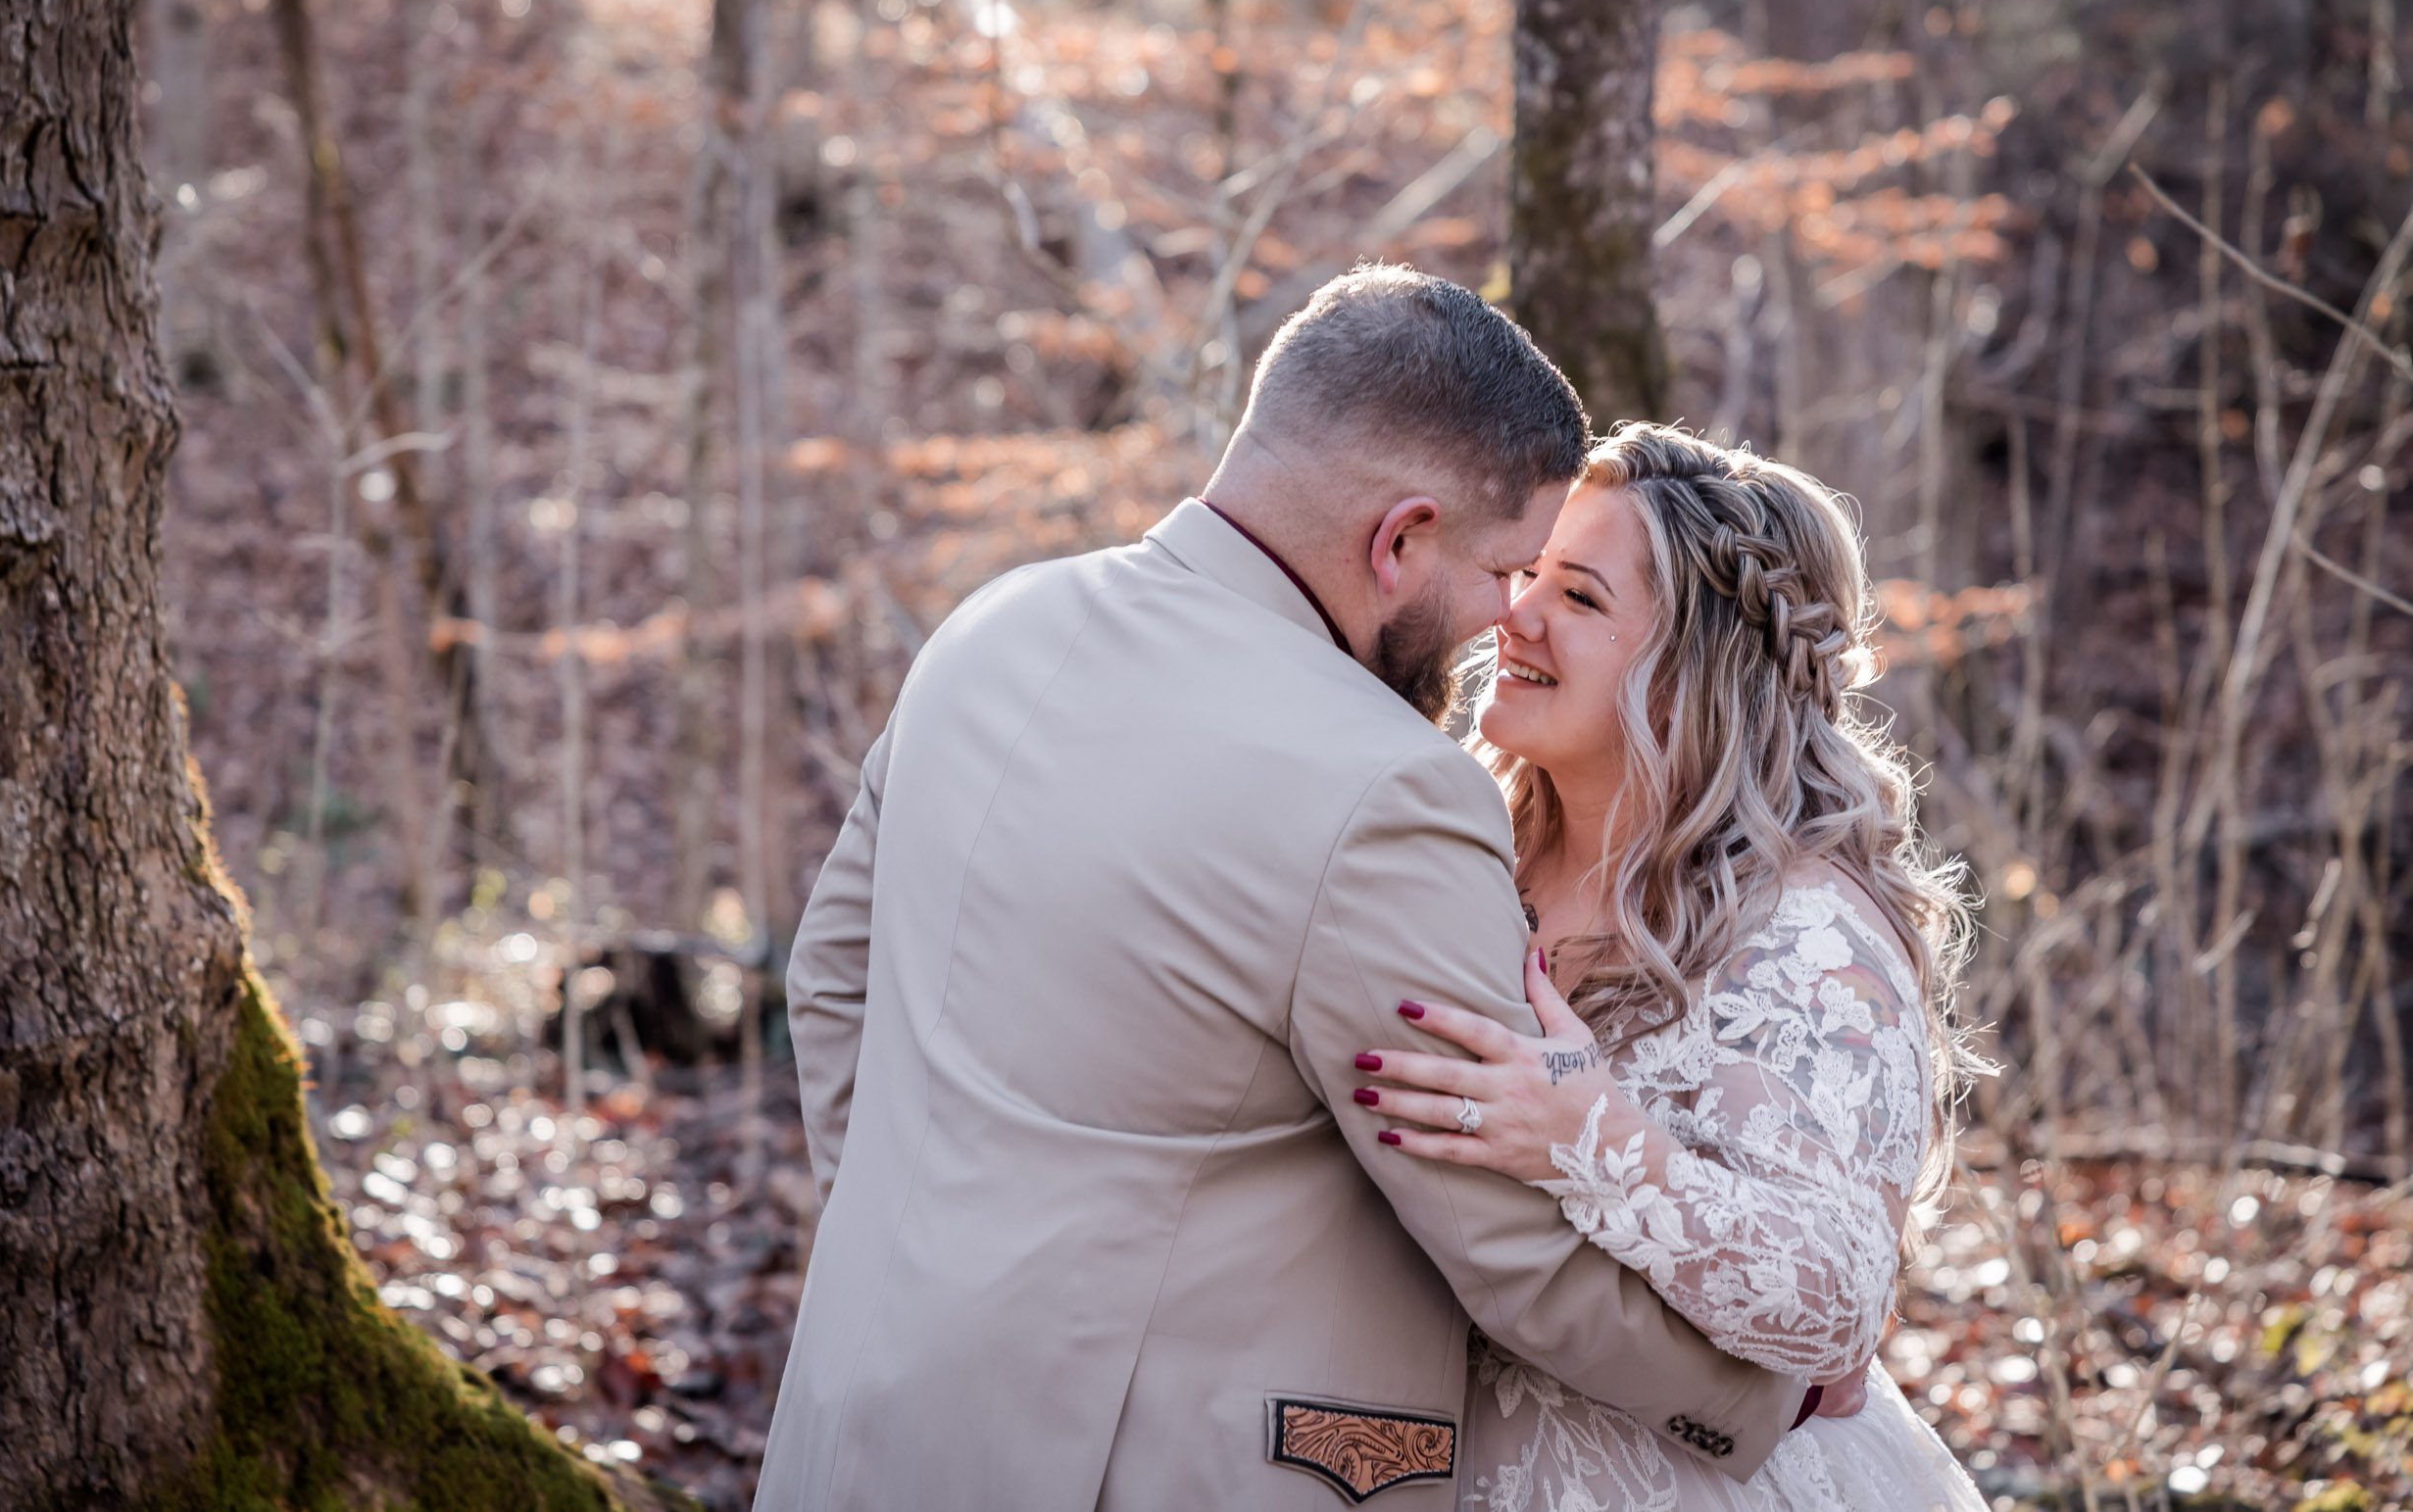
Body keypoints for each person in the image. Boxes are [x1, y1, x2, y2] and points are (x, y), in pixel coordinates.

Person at [756, 267, 1815, 1511]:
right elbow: (1502, 1241)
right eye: (1502, 571)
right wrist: (1763, 1393)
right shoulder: (1387, 792)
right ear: (1401, 537)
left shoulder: (992, 624)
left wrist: (911, 1249)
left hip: (861, 1415)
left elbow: (830, 980)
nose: (1505, 619)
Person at [1357, 421, 1992, 1510]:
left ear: (1692, 670)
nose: (1514, 613)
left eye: (1582, 598)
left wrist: (1586, 1138)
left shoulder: (1806, 933)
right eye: (1531, 574)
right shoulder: (1466, 842)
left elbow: (1831, 1305)